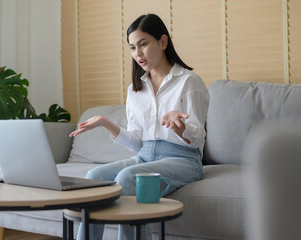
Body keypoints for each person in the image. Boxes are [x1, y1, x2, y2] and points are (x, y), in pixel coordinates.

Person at [70, 13, 209, 240]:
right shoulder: (135, 89)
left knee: (127, 177)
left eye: (143, 44)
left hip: (184, 160)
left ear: (162, 42)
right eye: (133, 47)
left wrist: (180, 127)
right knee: (93, 177)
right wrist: (105, 123)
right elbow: (136, 143)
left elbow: (198, 137)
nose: (138, 54)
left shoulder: (189, 82)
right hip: (145, 157)